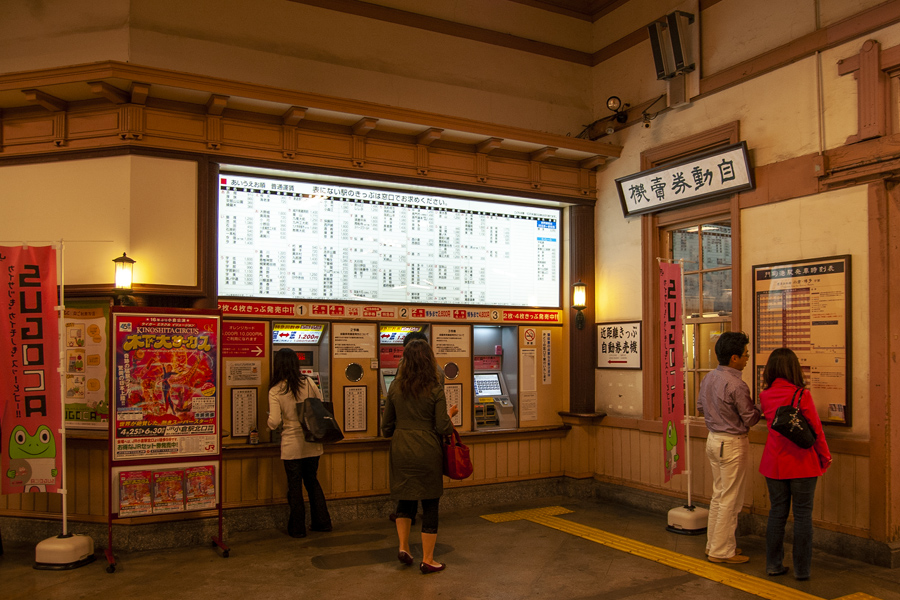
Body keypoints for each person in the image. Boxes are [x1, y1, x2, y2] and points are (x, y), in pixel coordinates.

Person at [382, 339, 458, 574]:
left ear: (404, 360)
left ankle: (404, 547)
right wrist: (451, 413)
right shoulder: (435, 387)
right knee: (430, 502)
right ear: (429, 360)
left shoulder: (394, 386)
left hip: (401, 447)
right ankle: (428, 559)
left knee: (404, 499)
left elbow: (386, 426)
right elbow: (443, 427)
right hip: (427, 449)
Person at [759, 348, 831, 580]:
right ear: (794, 368)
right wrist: (825, 457)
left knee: (777, 514)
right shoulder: (802, 395)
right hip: (802, 463)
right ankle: (802, 570)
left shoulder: (765, 395)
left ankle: (773, 564)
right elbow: (816, 431)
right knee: (802, 516)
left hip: (774, 463)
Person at [697, 331, 760, 564]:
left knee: (719, 495)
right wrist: (760, 407)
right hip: (732, 443)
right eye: (745, 355)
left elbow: (700, 407)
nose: (747, 359)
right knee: (730, 499)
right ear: (734, 358)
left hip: (713, 439)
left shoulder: (709, 378)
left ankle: (713, 545)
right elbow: (750, 419)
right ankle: (722, 551)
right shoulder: (737, 384)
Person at [267, 347, 332, 538]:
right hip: (312, 441)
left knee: (294, 486)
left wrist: (267, 422)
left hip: (292, 444)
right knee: (312, 481)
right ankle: (323, 522)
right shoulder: (309, 382)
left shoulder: (276, 390)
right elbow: (319, 405)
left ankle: (297, 529)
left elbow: (275, 422)